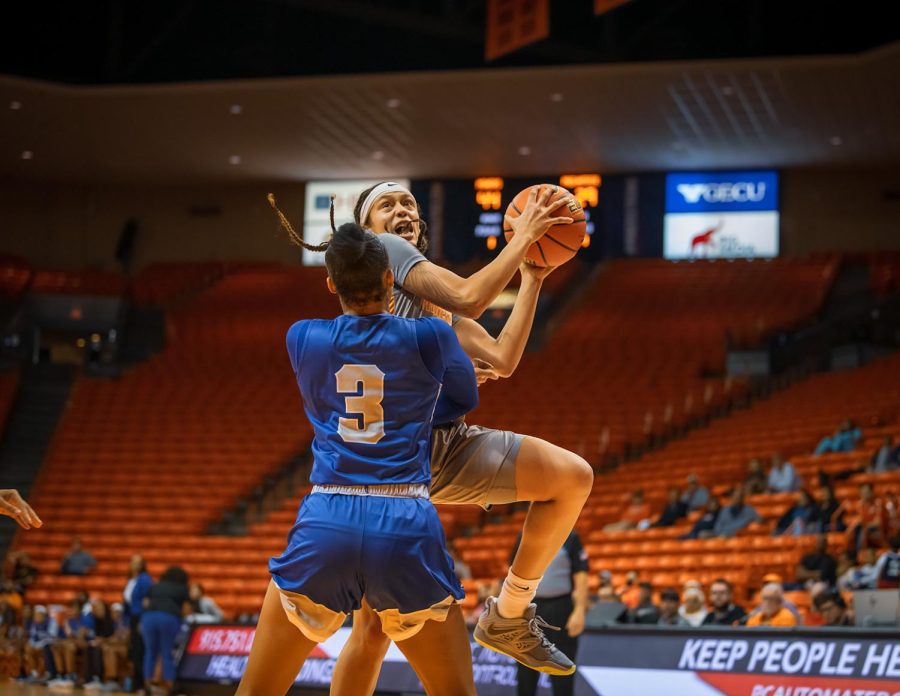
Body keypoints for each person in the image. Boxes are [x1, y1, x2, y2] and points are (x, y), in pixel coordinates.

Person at [273, 182, 593, 688]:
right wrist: (523, 236)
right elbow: (471, 295)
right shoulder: (388, 253)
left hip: (438, 447)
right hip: (397, 457)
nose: (402, 210)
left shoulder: (431, 311)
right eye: (388, 204)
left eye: (409, 205)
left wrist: (532, 276)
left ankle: (509, 615)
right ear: (366, 231)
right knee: (372, 633)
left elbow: (504, 360)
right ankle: (508, 612)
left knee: (571, 477)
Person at [236, 222, 483, 696]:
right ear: (391, 278)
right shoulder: (429, 336)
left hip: (329, 514)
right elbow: (463, 397)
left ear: (331, 284)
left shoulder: (302, 337)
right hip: (404, 517)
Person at [511, 531, 589, 696]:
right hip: (529, 607)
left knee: (562, 669)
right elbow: (513, 571)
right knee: (525, 670)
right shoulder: (525, 535)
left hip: (561, 608)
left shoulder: (571, 537)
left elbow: (581, 574)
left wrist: (580, 610)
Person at [142, 566, 190, 696]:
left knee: (150, 652)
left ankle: (147, 685)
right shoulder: (182, 588)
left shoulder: (156, 585)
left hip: (149, 617)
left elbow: (145, 603)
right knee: (167, 653)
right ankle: (170, 687)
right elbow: (186, 609)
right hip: (169, 617)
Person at [123, 554, 152, 693]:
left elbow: (147, 602)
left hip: (140, 618)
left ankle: (142, 685)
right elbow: (127, 604)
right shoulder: (130, 580)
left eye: (137, 562)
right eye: (132, 561)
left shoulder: (145, 579)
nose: (134, 564)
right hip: (132, 618)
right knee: (134, 651)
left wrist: (142, 621)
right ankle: (135, 683)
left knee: (140, 651)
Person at [24, 605, 59, 683]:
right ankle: (35, 674)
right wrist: (33, 645)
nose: (36, 617)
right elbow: (32, 638)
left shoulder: (51, 621)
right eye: (35, 615)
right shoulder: (35, 623)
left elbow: (51, 638)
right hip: (39, 646)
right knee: (28, 648)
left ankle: (48, 673)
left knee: (47, 648)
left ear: (43, 615)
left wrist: (38, 645)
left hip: (50, 646)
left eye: (37, 615)